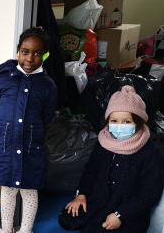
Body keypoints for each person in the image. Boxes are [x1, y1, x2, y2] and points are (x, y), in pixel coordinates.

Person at [59, 85, 163, 233]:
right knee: (67, 218)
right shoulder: (103, 142)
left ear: (139, 122)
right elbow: (91, 171)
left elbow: (150, 192)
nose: (119, 126)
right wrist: (81, 194)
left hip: (127, 209)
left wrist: (121, 215)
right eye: (114, 120)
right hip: (100, 200)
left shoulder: (151, 152)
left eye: (127, 121)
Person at [0, 27, 58, 233]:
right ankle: (6, 229)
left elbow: (46, 117)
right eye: (25, 52)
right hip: (4, 146)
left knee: (29, 190)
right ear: (18, 52)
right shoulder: (3, 79)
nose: (30, 58)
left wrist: (33, 134)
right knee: (7, 190)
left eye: (37, 53)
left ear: (45, 55)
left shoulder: (48, 86)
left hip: (30, 147)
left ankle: (26, 230)